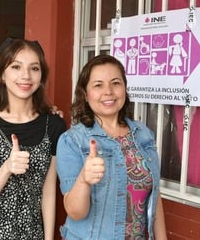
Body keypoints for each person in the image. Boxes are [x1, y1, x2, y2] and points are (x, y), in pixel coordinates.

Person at [56, 55, 167, 240]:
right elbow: (75, 212)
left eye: (115, 83)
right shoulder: (72, 141)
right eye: (98, 85)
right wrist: (84, 179)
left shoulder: (143, 134)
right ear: (85, 93)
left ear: (124, 88)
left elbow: (155, 197)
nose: (108, 91)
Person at [0, 38, 67, 239]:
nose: (26, 76)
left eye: (34, 68)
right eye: (16, 66)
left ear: (42, 76)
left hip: (31, 234)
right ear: (2, 74)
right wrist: (7, 168)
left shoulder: (54, 125)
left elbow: (48, 191)